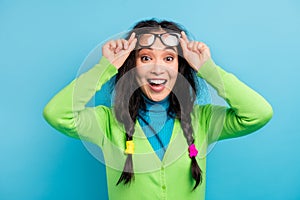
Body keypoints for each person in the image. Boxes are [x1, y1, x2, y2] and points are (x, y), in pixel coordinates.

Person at [43, 19, 273, 200]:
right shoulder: (107, 122)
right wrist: (106, 67)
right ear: (132, 66)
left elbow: (258, 114)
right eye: (145, 57)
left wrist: (207, 68)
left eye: (169, 58)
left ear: (180, 67)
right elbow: (56, 113)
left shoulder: (202, 120)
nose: (157, 68)